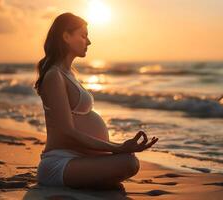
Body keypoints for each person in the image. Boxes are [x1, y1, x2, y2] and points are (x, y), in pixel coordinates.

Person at [33, 12, 158, 190]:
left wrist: (118, 148)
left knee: (129, 161)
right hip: (61, 163)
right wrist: (117, 148)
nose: (89, 42)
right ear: (66, 36)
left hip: (80, 159)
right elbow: (67, 132)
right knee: (129, 163)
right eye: (83, 36)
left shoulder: (69, 74)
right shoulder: (54, 76)